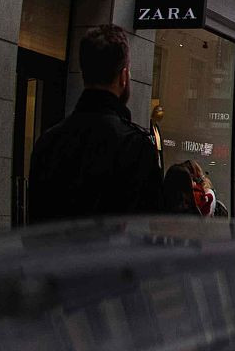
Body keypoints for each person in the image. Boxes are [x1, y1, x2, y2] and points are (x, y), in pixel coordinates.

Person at [26, 25, 165, 224]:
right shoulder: (136, 146)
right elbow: (147, 230)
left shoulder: (48, 142)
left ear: (84, 73)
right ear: (123, 77)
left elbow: (36, 227)